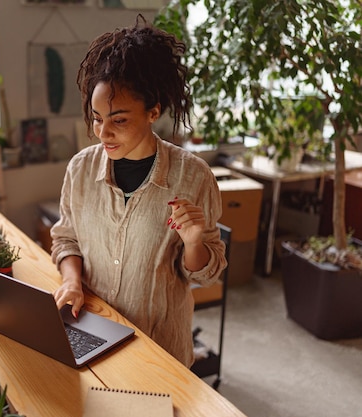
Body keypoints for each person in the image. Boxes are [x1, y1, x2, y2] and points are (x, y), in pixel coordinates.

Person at [50, 15, 228, 368]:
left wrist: (194, 241)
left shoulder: (193, 176)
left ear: (153, 112)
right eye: (97, 118)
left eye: (119, 120)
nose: (103, 133)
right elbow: (66, 238)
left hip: (159, 348)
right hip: (92, 330)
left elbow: (205, 273)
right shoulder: (81, 169)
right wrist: (71, 282)